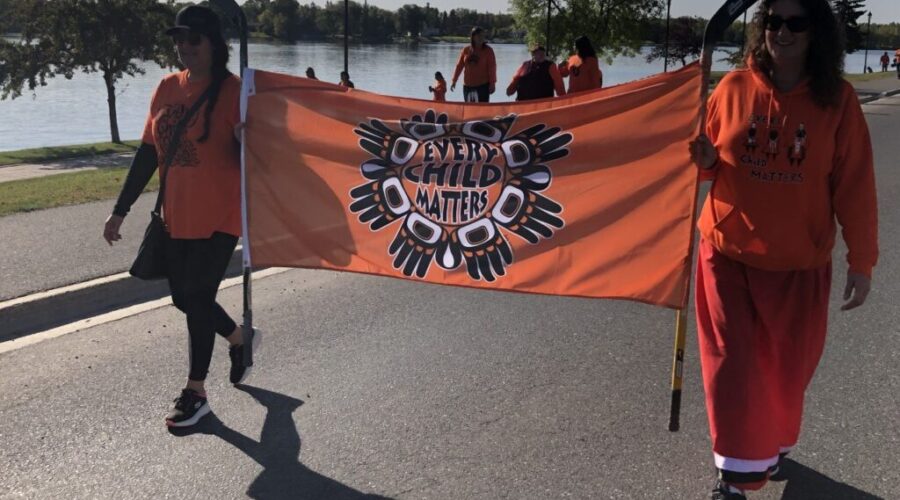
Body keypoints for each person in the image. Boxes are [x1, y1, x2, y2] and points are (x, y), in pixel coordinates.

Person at [689, 1, 877, 498]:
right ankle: (734, 477)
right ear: (761, 29)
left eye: (797, 22)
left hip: (798, 263)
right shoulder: (730, 89)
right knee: (734, 368)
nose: (783, 32)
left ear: (816, 33)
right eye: (774, 21)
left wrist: (862, 262)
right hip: (727, 255)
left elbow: (854, 187)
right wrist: (705, 162)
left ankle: (770, 444)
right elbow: (706, 166)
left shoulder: (836, 101)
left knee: (785, 371)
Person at [102, 5, 261, 428]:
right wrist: (120, 210)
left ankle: (196, 392)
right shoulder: (166, 88)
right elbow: (148, 153)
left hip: (220, 216)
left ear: (213, 44)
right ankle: (240, 338)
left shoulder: (235, 92)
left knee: (194, 299)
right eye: (178, 40)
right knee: (184, 298)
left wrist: (251, 136)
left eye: (192, 39)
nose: (183, 47)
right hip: (175, 216)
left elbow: (261, 157)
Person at [450, 27, 497, 102]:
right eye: (479, 36)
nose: (481, 38)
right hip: (467, 86)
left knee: (482, 110)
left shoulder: (488, 51)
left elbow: (492, 68)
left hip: (482, 86)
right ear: (473, 37)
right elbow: (459, 66)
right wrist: (454, 81)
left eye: (483, 36)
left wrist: (492, 83)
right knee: (469, 109)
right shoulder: (466, 50)